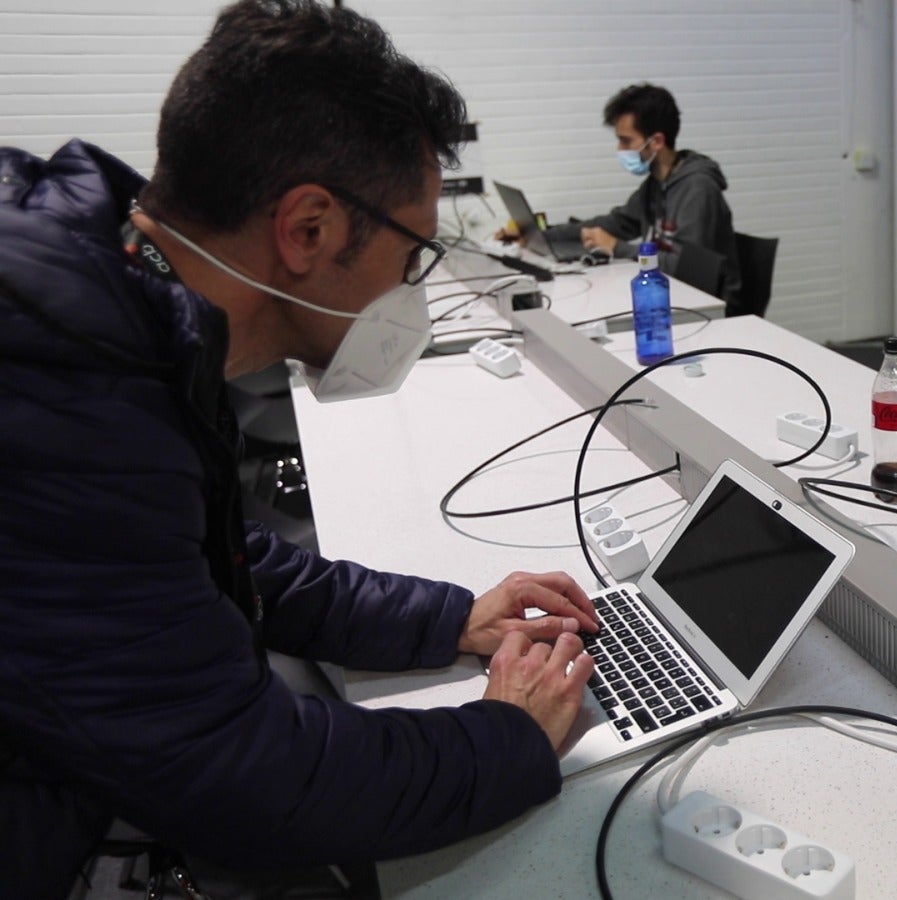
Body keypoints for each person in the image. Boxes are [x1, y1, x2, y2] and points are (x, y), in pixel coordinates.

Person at [0, 2, 601, 896]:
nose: (413, 291)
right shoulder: (63, 391)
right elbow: (245, 778)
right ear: (308, 228)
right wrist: (506, 735)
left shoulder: (114, 308)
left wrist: (446, 619)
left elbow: (214, 561)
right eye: (413, 255)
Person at [545, 83, 743, 310]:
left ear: (656, 141)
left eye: (626, 141)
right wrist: (543, 235)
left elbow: (687, 270)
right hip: (669, 295)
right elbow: (615, 223)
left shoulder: (698, 189)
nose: (620, 148)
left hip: (705, 308)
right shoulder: (656, 184)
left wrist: (617, 247)